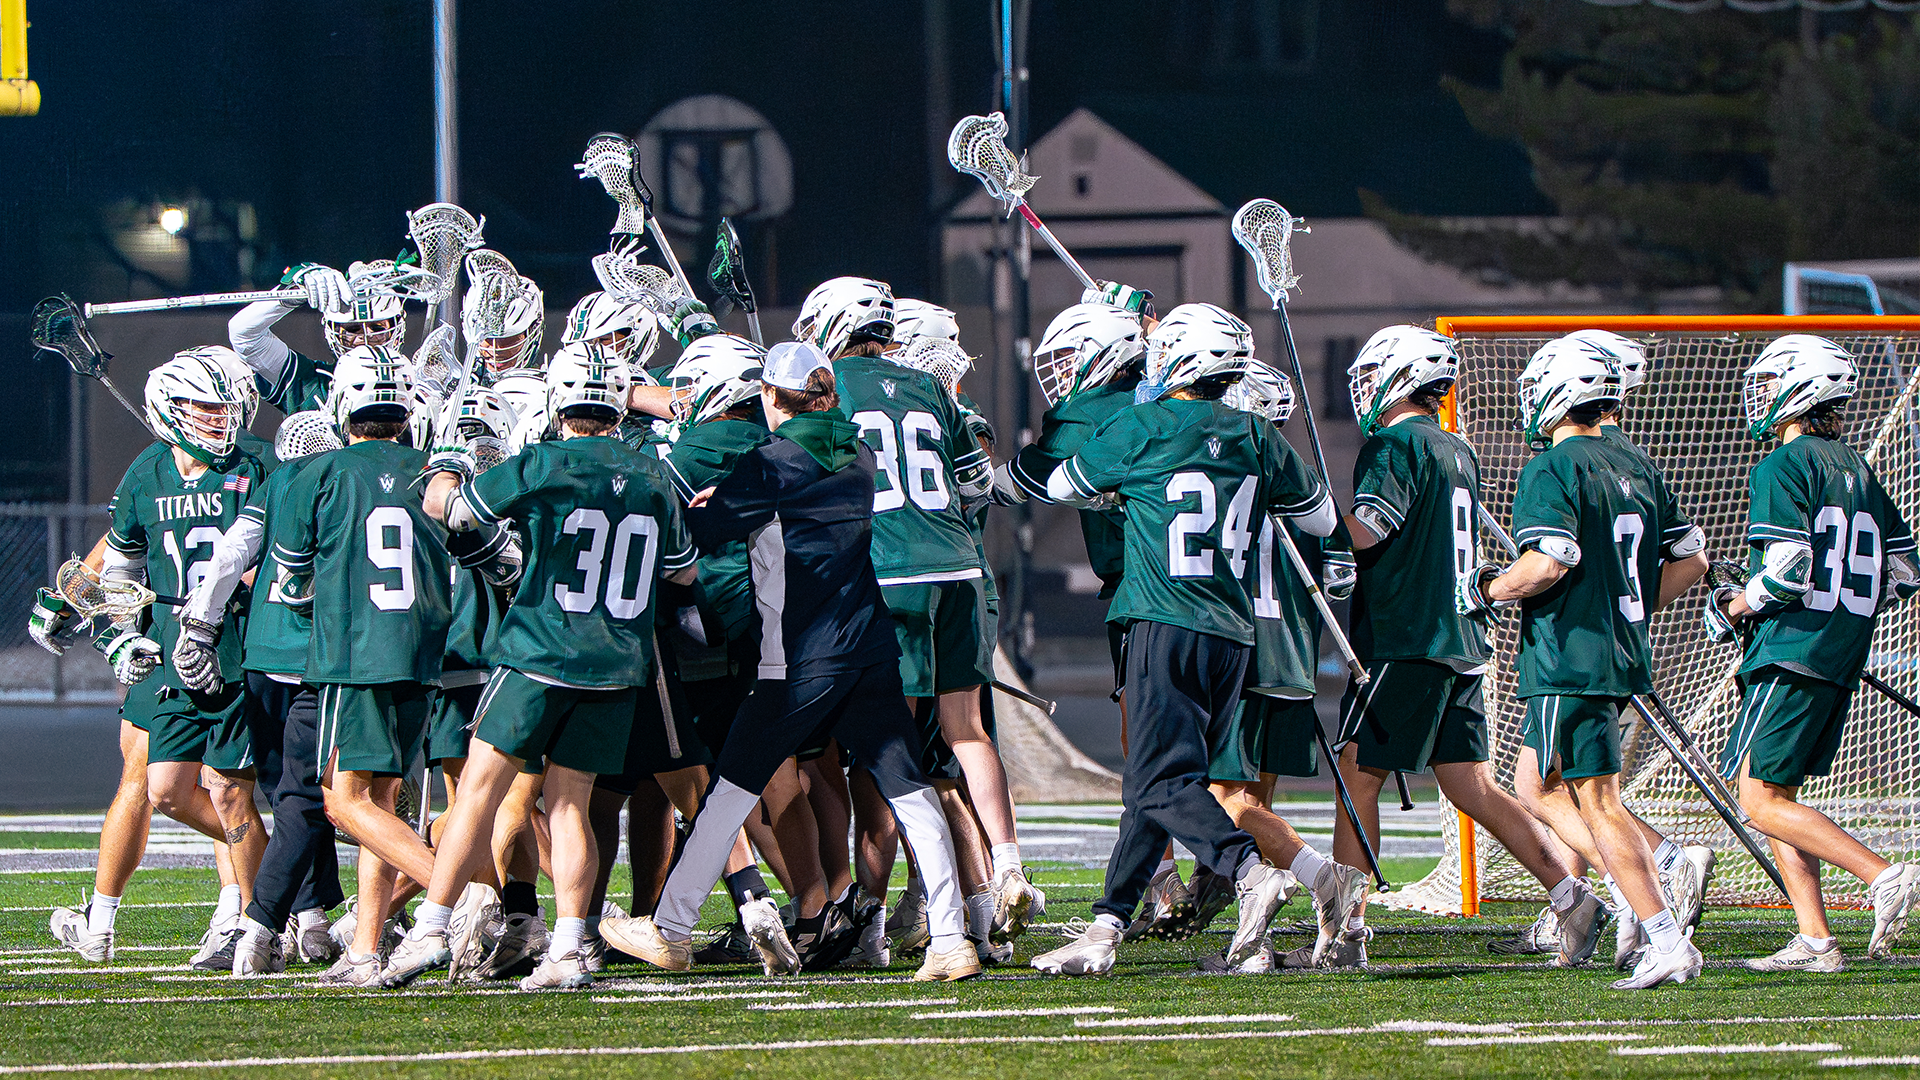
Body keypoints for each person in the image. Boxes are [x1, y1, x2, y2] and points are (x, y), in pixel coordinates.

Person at [597, 341, 981, 984]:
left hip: (797, 658)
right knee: (909, 791)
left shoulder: (769, 464)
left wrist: (721, 501)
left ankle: (669, 928)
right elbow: (792, 494)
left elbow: (699, 532)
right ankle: (951, 940)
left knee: (728, 794)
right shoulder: (856, 455)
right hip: (868, 648)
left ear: (773, 397)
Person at [1033, 303, 1332, 976]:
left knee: (1160, 780)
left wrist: (1124, 496)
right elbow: (1319, 516)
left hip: (1163, 619)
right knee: (1155, 782)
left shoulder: (1141, 424)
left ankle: (1249, 870)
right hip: (1232, 635)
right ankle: (1106, 925)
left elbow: (1060, 484)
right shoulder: (1257, 434)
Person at [390, 342, 697, 991]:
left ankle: (433, 927)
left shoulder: (543, 461)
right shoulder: (653, 475)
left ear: (561, 399)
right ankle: (567, 949)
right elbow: (684, 571)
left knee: (480, 789)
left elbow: (455, 512)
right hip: (616, 662)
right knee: (571, 808)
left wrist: (447, 467)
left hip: (538, 651)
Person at [1333, 325, 1606, 970]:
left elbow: (1370, 531)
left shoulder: (1390, 446)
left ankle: (1344, 933)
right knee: (1472, 786)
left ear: (1394, 378)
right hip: (1461, 638)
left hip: (1407, 639)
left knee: (1356, 776)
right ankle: (1571, 897)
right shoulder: (1457, 449)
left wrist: (1317, 522)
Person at [798, 277, 1034, 960]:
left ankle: (912, 924)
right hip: (960, 569)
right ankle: (1008, 865)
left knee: (885, 765)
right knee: (967, 734)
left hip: (889, 577)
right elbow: (974, 484)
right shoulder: (929, 387)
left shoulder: (826, 386)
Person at [1467, 336, 1710, 989]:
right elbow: (1691, 559)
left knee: (1583, 798)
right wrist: (1622, 606)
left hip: (1570, 653)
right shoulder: (1632, 458)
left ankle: (1655, 918)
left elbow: (1548, 562)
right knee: (1541, 784)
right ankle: (1649, 886)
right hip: (1619, 648)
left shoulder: (1555, 465)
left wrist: (1486, 588)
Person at [43, 350, 270, 965]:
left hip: (241, 644)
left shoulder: (256, 465)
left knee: (232, 788)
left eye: (228, 406)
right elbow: (120, 567)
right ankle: (260, 892)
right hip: (169, 646)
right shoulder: (146, 472)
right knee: (162, 786)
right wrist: (116, 634)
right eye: (207, 406)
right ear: (170, 409)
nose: (221, 419)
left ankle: (261, 910)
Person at [1707, 334, 1920, 972]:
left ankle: (1883, 875)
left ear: (1801, 389)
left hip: (1792, 647)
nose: (1761, 397)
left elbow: (1788, 565)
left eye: (1772, 384)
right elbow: (1906, 571)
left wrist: (1738, 605)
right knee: (1776, 793)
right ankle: (1815, 939)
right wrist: (1844, 612)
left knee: (1757, 799)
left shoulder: (1783, 465)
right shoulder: (1858, 468)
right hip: (1837, 649)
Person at [270, 346, 453, 985]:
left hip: (355, 655)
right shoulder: (439, 470)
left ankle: (457, 896)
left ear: (342, 405)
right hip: (424, 656)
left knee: (343, 803)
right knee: (381, 801)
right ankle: (367, 949)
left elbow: (291, 584)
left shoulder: (318, 474)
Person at [173, 410, 351, 977]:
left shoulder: (277, 483)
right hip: (324, 657)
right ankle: (287, 918)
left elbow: (229, 555)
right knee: (316, 796)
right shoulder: (347, 479)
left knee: (290, 794)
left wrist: (199, 624)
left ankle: (310, 909)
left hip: (265, 655)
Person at [1207, 361, 1370, 973]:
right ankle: (1257, 945)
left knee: (1225, 798)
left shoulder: (1225, 480)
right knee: (1258, 801)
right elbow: (1339, 580)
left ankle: (1319, 875)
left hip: (1244, 658)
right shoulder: (1306, 488)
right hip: (1295, 663)